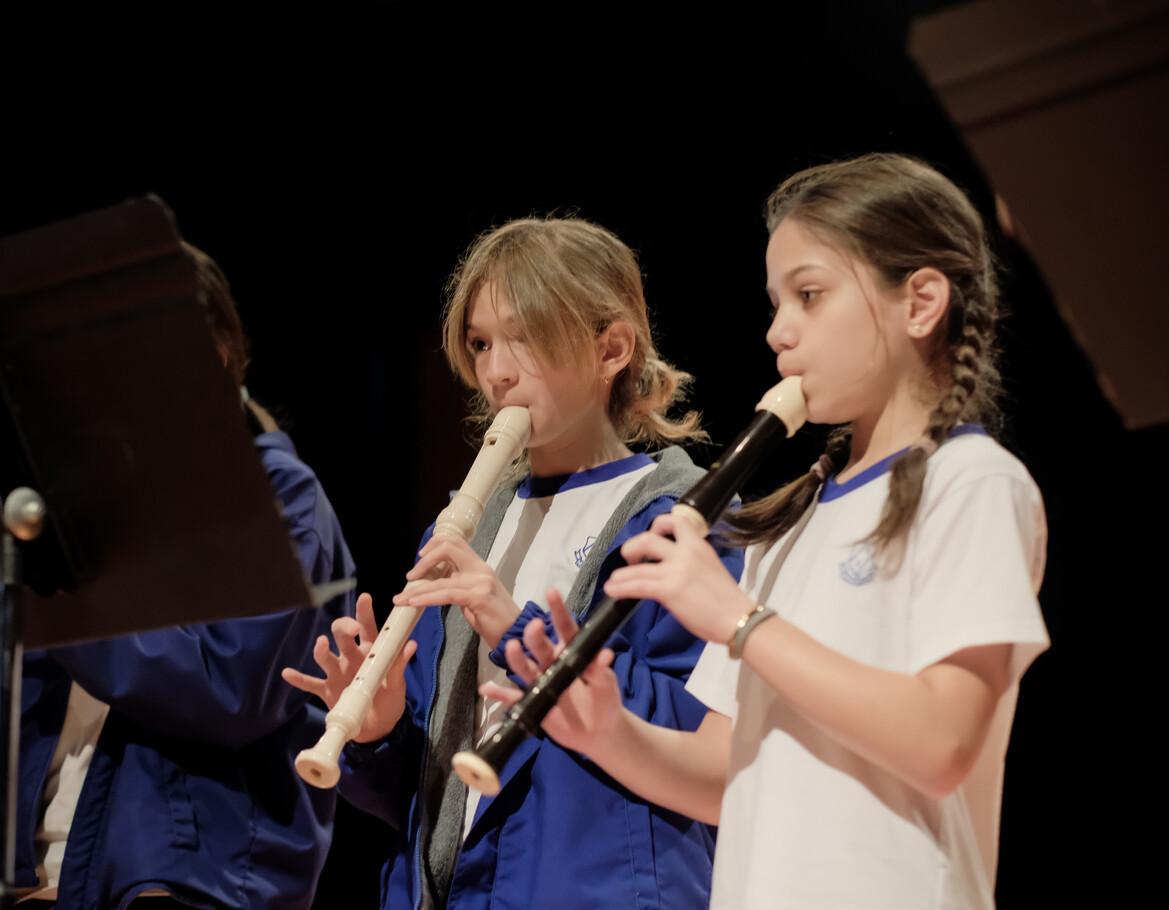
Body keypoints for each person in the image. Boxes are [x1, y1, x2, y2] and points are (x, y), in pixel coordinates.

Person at [492, 154, 1050, 910]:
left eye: (809, 296)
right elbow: (725, 777)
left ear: (920, 303)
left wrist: (742, 623)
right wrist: (605, 733)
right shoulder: (794, 515)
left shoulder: (973, 482)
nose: (778, 332)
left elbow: (942, 742)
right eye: (776, 301)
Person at [284, 217, 743, 909]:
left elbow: (698, 734)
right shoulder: (466, 528)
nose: (496, 372)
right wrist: (379, 731)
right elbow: (426, 800)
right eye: (481, 342)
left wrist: (514, 629)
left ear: (612, 347)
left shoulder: (680, 521)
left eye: (525, 337)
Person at [16, 243, 356, 909]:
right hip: (50, 877)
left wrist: (60, 611)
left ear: (219, 354)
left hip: (184, 883)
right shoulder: (81, 507)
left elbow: (231, 683)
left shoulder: (277, 494)